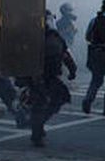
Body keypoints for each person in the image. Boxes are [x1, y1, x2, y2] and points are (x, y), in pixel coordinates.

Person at [20, 10, 77, 147]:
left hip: (50, 76)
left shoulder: (53, 36)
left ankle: (37, 125)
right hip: (37, 76)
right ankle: (37, 133)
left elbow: (64, 54)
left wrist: (72, 69)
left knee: (59, 98)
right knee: (40, 104)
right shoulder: (34, 37)